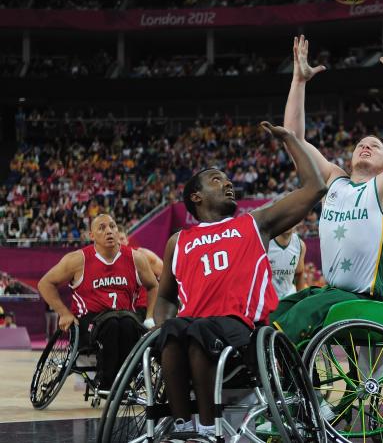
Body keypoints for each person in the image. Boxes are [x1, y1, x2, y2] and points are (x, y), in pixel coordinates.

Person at [154, 122, 327, 442]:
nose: (228, 183)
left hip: (242, 332)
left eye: (228, 178)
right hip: (192, 328)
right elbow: (165, 297)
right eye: (216, 180)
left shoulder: (254, 224)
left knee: (196, 330)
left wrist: (290, 140)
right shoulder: (178, 241)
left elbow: (314, 187)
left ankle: (207, 427)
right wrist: (159, 324)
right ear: (196, 196)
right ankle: (181, 425)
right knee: (174, 330)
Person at [269, 30, 383, 344]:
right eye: (361, 144)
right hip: (332, 295)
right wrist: (298, 82)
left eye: (375, 146)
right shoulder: (333, 180)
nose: (365, 146)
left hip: (368, 297)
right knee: (272, 312)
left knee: (289, 326)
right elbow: (293, 140)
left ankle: (279, 380)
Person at [37, 214, 159, 390]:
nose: (109, 231)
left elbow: (154, 286)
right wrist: (64, 313)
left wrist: (149, 317)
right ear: (91, 236)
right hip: (91, 321)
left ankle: (125, 381)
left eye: (112, 226)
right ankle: (108, 383)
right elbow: (45, 283)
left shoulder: (136, 258)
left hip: (125, 316)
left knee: (126, 323)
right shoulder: (78, 259)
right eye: (102, 228)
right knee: (112, 325)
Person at [119, 228, 163, 326]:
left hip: (144, 308)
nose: (120, 242)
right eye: (117, 239)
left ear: (127, 239)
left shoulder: (143, 255)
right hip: (124, 309)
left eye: (122, 238)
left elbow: (165, 274)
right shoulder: (108, 261)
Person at [267, 225, 306, 299]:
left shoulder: (300, 245)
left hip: (288, 298)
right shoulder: (265, 242)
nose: (289, 222)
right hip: (267, 301)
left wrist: (301, 300)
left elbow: (299, 273)